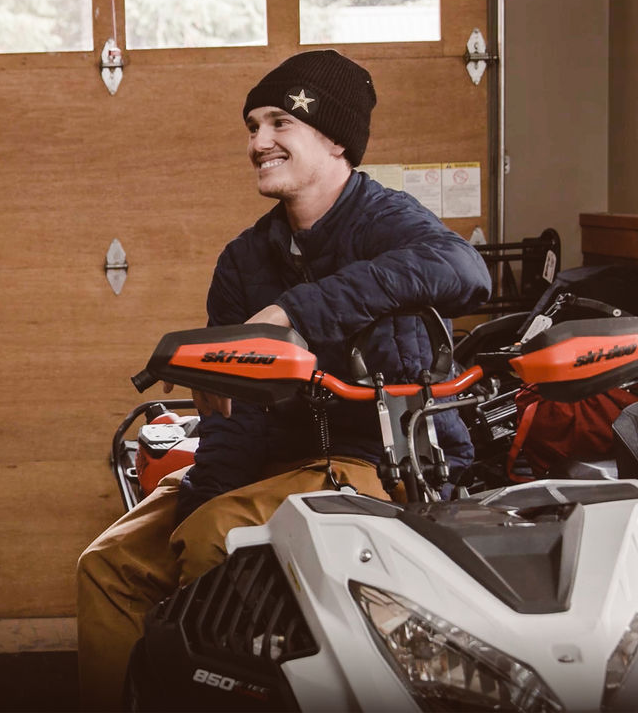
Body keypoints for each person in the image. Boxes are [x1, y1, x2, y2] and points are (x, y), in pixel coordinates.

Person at [76, 49, 492, 710]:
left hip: (379, 461)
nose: (258, 142)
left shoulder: (384, 219)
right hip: (274, 464)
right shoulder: (243, 260)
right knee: (113, 564)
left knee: (215, 538)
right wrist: (197, 501)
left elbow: (463, 268)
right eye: (251, 127)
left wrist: (296, 312)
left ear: (335, 140)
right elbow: (231, 425)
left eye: (278, 123)